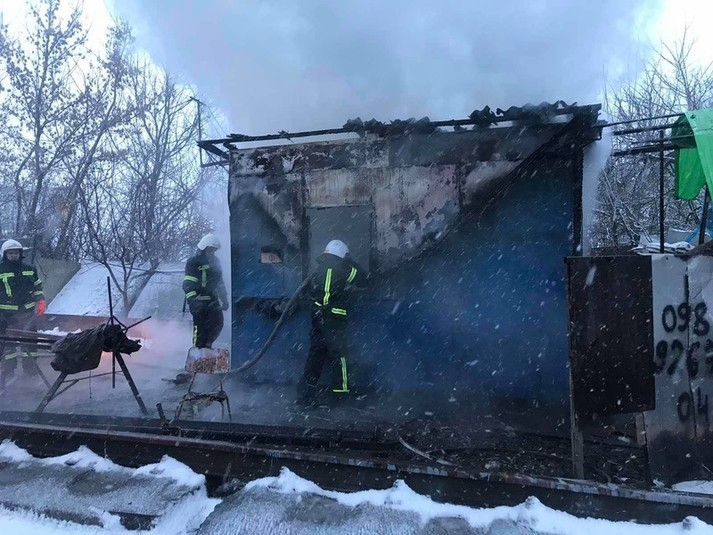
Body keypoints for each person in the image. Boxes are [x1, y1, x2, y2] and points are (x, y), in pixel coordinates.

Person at [297, 239, 368, 407]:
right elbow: (363, 280)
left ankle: (306, 396)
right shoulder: (344, 268)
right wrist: (352, 263)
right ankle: (339, 396)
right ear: (343, 255)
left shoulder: (317, 270)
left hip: (317, 318)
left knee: (316, 356)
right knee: (339, 357)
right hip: (334, 320)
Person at [0, 239, 46, 382]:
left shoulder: (29, 269)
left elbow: (37, 288)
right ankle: (8, 370)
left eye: (16, 253)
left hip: (27, 313)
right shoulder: (0, 270)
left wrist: (41, 301)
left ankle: (30, 368)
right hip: (5, 315)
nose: (14, 255)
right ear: (5, 254)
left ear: (20, 254)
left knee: (30, 341)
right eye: (11, 253)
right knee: (8, 345)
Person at [183, 233, 229, 349]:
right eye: (210, 250)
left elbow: (220, 283)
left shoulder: (216, 262)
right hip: (198, 300)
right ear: (204, 248)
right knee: (200, 330)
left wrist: (224, 299)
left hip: (212, 300)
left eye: (214, 250)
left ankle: (207, 347)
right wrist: (193, 301)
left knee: (218, 324)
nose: (212, 252)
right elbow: (188, 283)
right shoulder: (193, 262)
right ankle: (197, 352)